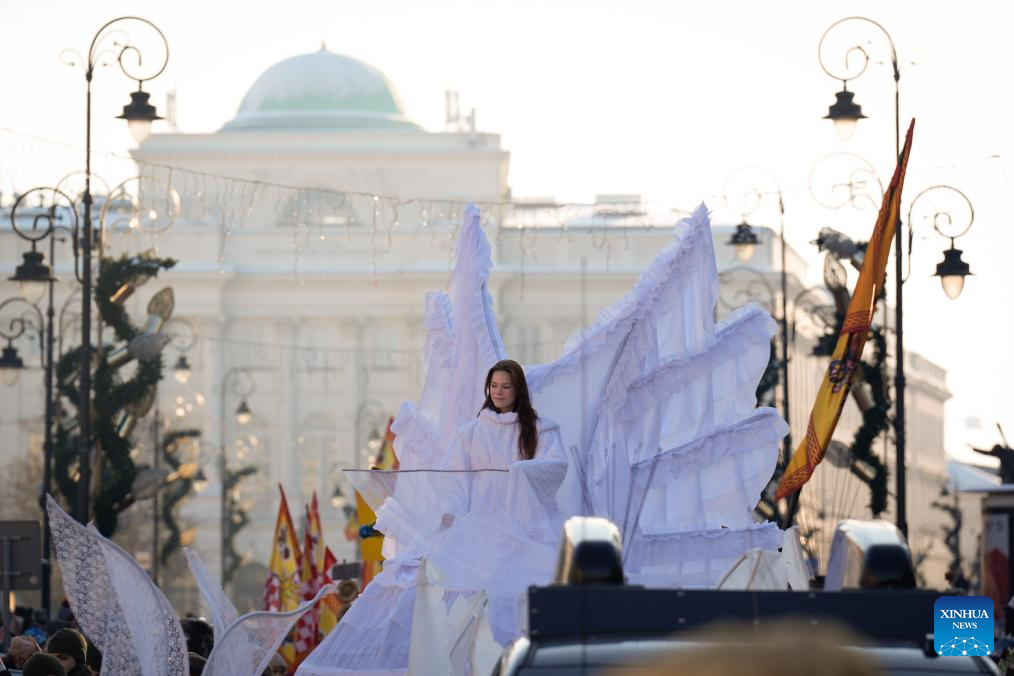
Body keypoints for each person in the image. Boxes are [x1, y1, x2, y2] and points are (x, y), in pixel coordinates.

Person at [298, 360, 567, 674]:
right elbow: (456, 480)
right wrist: (451, 510)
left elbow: (555, 466)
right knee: (453, 592)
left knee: (515, 596)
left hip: (521, 524)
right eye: (494, 386)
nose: (498, 392)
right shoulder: (472, 433)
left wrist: (522, 474)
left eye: (505, 386)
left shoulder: (539, 429)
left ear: (517, 389)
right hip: (478, 523)